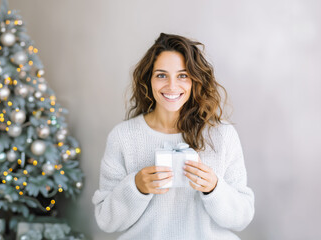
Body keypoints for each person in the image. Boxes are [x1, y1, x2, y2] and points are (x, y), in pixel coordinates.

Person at [92, 33, 255, 240]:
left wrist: (214, 188)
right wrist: (136, 187)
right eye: (161, 75)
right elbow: (106, 221)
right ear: (148, 80)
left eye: (182, 75)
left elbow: (242, 218)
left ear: (195, 81)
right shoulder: (123, 137)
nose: (171, 86)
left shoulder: (222, 135)